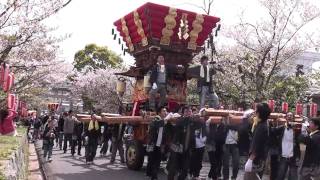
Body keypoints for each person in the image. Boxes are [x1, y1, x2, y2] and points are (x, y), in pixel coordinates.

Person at [167, 106, 199, 180]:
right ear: (183, 113)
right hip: (177, 148)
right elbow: (183, 122)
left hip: (187, 149)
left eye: (190, 111)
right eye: (186, 111)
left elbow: (201, 124)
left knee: (185, 168)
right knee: (173, 167)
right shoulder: (179, 120)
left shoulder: (193, 122)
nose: (188, 113)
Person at [244, 103, 271, 180]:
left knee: (249, 177)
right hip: (259, 157)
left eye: (256, 110)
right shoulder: (263, 123)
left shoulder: (262, 127)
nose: (254, 112)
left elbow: (257, 144)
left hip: (256, 159)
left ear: (258, 113)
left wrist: (250, 159)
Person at [270, 112, 301, 180]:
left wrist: (295, 129)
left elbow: (302, 137)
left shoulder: (297, 129)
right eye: (288, 115)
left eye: (291, 115)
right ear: (286, 118)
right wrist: (271, 121)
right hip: (283, 156)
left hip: (293, 156)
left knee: (293, 177)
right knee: (280, 176)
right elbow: (272, 131)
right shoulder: (282, 128)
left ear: (293, 118)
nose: (289, 116)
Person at [146, 107, 167, 180]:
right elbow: (156, 124)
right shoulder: (156, 119)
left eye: (166, 111)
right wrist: (164, 120)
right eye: (164, 111)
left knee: (157, 161)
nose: (165, 112)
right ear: (159, 113)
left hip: (160, 145)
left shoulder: (165, 121)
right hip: (153, 143)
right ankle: (151, 174)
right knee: (152, 160)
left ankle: (153, 175)